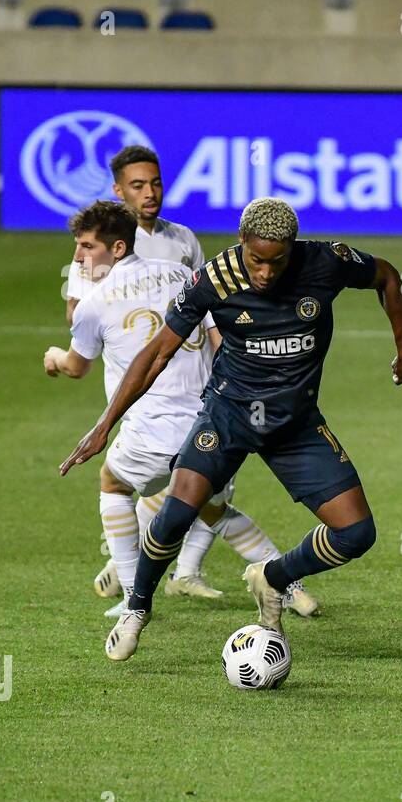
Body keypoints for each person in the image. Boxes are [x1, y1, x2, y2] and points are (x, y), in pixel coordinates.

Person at [60, 197, 402, 661]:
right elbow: (155, 354)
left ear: (294, 247)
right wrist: (104, 426)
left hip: (294, 423)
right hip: (228, 415)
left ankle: (272, 576)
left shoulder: (326, 261)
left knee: (356, 534)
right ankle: (137, 607)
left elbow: (388, 277)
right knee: (174, 514)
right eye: (257, 259)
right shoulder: (213, 278)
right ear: (241, 243)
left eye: (278, 260)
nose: (267, 273)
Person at [45, 200, 318, 627]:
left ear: (117, 248)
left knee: (113, 484)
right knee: (211, 510)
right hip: (214, 420)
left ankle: (133, 595)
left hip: (153, 429)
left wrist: (53, 358)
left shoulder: (93, 303)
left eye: (86, 247)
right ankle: (287, 582)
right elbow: (217, 336)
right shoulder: (185, 276)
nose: (78, 257)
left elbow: (76, 367)